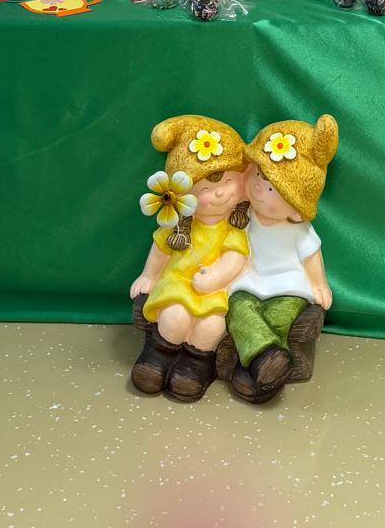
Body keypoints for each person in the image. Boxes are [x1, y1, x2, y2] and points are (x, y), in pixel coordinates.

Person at [130, 117, 249, 402]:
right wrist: (148, 276)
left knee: (212, 326)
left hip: (213, 293)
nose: (219, 193)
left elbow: (235, 259)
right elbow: (161, 249)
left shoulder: (232, 229)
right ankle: (157, 358)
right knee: (174, 316)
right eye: (204, 189)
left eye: (228, 182)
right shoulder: (180, 227)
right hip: (177, 283)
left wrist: (215, 278)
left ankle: (195, 367)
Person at [225, 116, 338, 402]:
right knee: (238, 310)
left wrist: (319, 285)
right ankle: (268, 361)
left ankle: (254, 367)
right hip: (249, 281)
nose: (259, 187)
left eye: (272, 188)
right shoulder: (244, 216)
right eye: (258, 175)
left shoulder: (298, 229)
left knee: (278, 318)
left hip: (289, 286)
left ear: (297, 208)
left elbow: (311, 256)